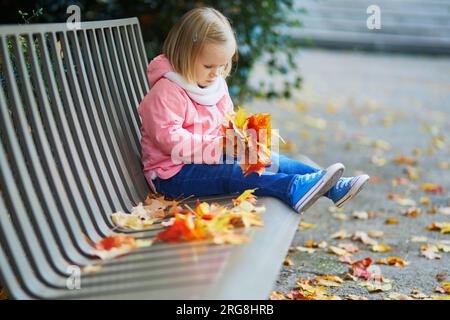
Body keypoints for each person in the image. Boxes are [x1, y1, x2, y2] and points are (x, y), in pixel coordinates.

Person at [138, 7, 369, 214]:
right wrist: (220, 146)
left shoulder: (213, 84)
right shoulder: (167, 91)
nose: (215, 73)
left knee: (267, 159)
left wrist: (241, 138)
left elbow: (225, 122)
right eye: (208, 66)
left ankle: (331, 186)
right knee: (235, 174)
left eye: (223, 65)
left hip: (211, 159)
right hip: (174, 175)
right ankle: (291, 189)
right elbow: (170, 140)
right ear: (183, 56)